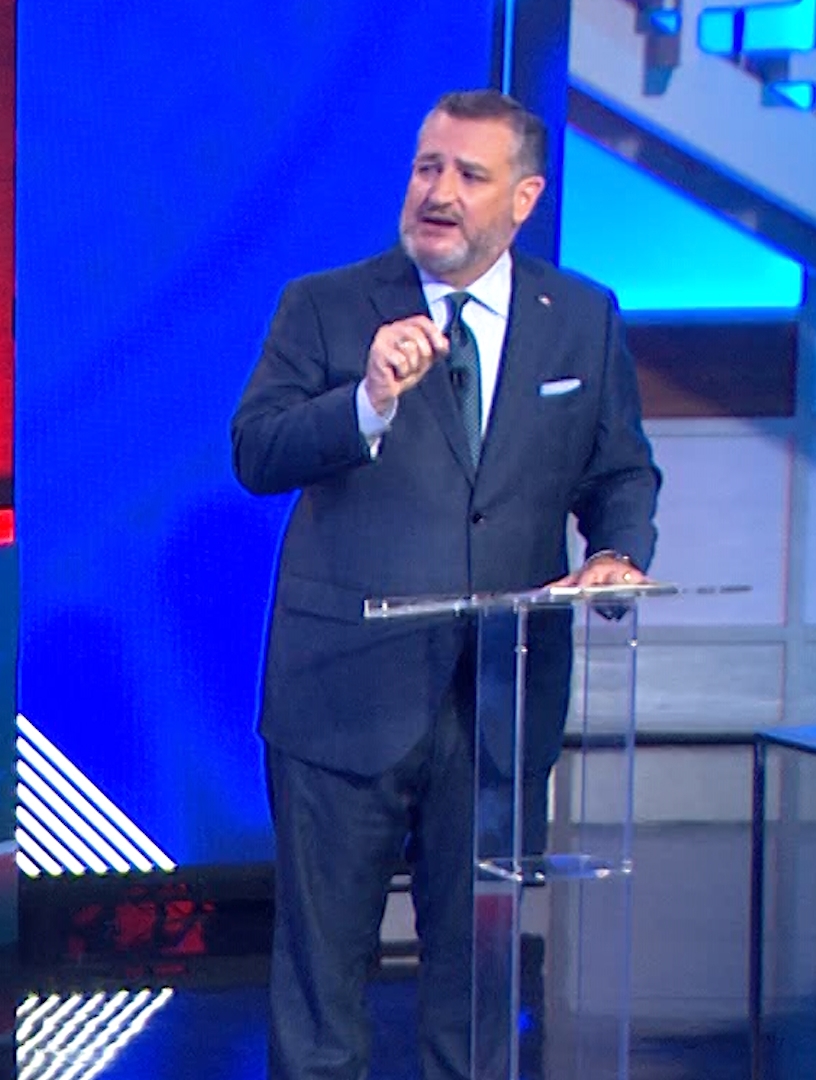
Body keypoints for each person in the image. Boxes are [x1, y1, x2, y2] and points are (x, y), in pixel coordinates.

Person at [230, 89, 661, 1080]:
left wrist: (617, 552)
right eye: (428, 167)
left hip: (499, 709)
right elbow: (255, 450)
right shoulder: (328, 306)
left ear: (524, 199)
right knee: (321, 984)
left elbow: (620, 470)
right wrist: (367, 401)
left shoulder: (580, 318)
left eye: (469, 175)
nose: (439, 191)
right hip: (341, 695)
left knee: (474, 991)